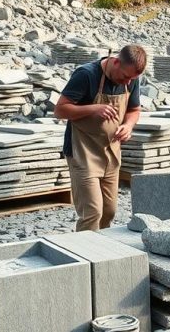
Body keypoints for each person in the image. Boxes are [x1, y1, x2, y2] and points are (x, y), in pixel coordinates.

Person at [54, 45, 146, 231]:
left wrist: (128, 125)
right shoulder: (86, 75)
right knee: (92, 212)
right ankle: (85, 254)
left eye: (132, 79)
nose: (127, 82)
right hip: (83, 153)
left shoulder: (131, 79)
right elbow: (60, 110)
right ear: (116, 61)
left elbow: (134, 110)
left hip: (111, 153)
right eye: (125, 77)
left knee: (109, 211)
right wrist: (93, 109)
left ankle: (102, 253)